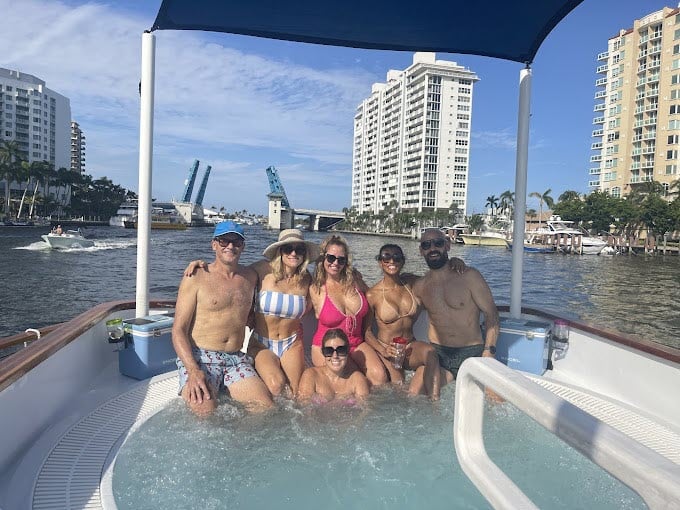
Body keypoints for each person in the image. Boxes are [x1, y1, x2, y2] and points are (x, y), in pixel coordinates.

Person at [183, 229, 319, 397]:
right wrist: (203, 266)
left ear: (305, 255)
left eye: (299, 250)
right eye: (288, 248)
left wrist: (353, 276)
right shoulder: (262, 270)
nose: (293, 253)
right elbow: (231, 271)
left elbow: (330, 289)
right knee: (276, 386)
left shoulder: (308, 280)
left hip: (291, 343)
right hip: (262, 342)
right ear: (279, 251)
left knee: (296, 395)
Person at [172, 221, 273, 416]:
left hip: (235, 358)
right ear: (214, 245)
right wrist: (193, 370)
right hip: (200, 357)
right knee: (206, 415)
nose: (230, 246)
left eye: (236, 242)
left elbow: (284, 265)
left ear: (243, 246)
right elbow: (178, 330)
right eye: (224, 241)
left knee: (266, 410)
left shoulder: (251, 276)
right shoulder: (196, 275)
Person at [412, 228, 499, 388]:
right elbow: (406, 317)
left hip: (472, 352)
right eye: (426, 245)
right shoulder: (420, 287)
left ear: (447, 245)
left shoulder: (469, 276)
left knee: (497, 400)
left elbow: (491, 313)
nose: (432, 249)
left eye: (437, 243)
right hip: (438, 355)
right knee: (416, 392)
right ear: (421, 251)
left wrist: (489, 351)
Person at [364, 244, 442, 400]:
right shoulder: (373, 294)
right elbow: (366, 332)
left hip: (410, 346)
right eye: (386, 257)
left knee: (431, 354)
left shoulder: (412, 283)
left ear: (402, 261)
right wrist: (384, 351)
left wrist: (453, 263)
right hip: (389, 350)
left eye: (397, 257)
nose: (392, 260)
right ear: (380, 261)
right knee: (398, 389)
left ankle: (435, 404)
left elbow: (437, 278)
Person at [309, 235, 388, 386]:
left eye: (341, 259)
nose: (335, 263)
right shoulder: (315, 289)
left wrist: (368, 329)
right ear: (323, 259)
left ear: (346, 262)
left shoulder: (356, 282)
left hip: (356, 342)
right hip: (328, 346)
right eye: (331, 258)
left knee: (379, 377)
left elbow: (373, 298)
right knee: (351, 381)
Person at [297, 328, 369, 403]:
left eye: (341, 350)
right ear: (322, 352)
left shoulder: (357, 379)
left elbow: (366, 411)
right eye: (329, 351)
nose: (335, 356)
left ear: (348, 351)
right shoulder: (311, 375)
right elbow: (303, 408)